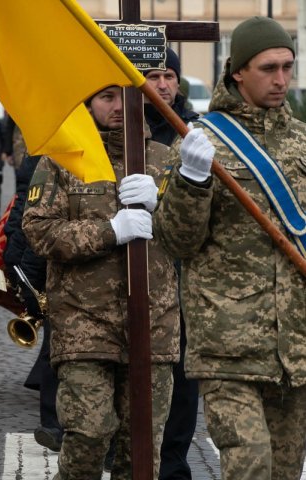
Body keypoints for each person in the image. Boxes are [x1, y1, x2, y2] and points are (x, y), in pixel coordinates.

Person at [153, 16, 306, 479]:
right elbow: (178, 240)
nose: (281, 80)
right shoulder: (203, 141)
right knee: (249, 466)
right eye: (268, 68)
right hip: (227, 341)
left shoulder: (301, 140)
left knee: (284, 470)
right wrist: (191, 181)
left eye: (287, 67)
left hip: (295, 344)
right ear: (237, 71)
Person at [22, 85, 179, 479]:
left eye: (125, 96)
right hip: (83, 323)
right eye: (106, 96)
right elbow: (39, 231)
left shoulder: (165, 160)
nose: (118, 106)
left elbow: (192, 236)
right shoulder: (63, 159)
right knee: (88, 436)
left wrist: (167, 206)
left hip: (153, 325)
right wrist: (109, 231)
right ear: (89, 103)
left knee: (141, 450)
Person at [143, 47, 200, 480]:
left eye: (169, 76)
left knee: (182, 377)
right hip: (128, 273)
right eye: (153, 75)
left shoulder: (194, 135)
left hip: (180, 276)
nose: (163, 84)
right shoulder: (118, 127)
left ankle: (174, 460)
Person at [3, 155, 63, 452]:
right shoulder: (43, 160)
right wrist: (19, 265)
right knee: (55, 351)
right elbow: (24, 214)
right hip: (56, 277)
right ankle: (53, 425)